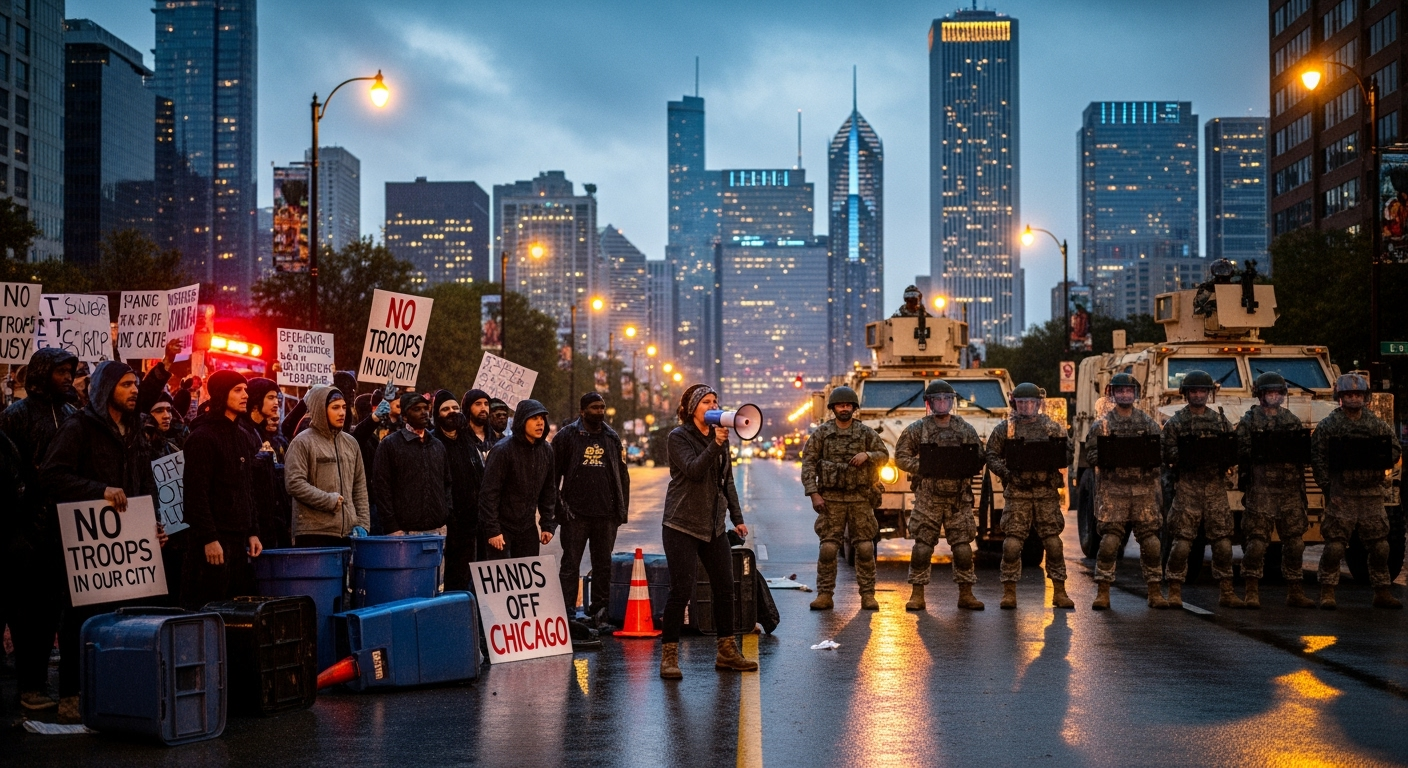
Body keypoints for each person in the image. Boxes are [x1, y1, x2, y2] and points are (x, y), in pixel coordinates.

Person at [40, 361, 161, 723]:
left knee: (124, 621)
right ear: (105, 390)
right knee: (82, 620)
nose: (134, 390)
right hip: (87, 546)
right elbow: (51, 477)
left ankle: (117, 690)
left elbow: (144, 480)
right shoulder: (79, 428)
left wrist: (154, 522)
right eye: (126, 384)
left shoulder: (137, 428)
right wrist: (100, 492)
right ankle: (72, 695)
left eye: (136, 384)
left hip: (127, 546)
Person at [657, 385, 755, 680]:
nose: (713, 405)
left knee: (725, 588)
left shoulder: (721, 441)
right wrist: (715, 443)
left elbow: (727, 482)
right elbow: (694, 470)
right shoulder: (678, 437)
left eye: (715, 401)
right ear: (691, 408)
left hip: (713, 525)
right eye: (706, 402)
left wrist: (736, 518)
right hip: (681, 524)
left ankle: (726, 651)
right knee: (681, 590)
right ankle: (669, 655)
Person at [0, 347, 77, 713]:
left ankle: (41, 681)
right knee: (25, 613)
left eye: (69, 372)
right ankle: (29, 684)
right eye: (60, 371)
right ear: (42, 373)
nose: (66, 377)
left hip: (64, 529)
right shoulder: (15, 416)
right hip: (25, 531)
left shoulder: (71, 415)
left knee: (52, 611)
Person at [1313, 373, 1403, 609]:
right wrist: (1327, 488)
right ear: (1340, 398)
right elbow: (1319, 459)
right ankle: (1327, 591)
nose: (1354, 399)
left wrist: (1372, 457)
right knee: (1334, 546)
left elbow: (1393, 449)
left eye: (1358, 395)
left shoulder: (1375, 424)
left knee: (1381, 546)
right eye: (1349, 395)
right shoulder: (1329, 426)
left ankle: (1381, 590)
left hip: (1371, 493)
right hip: (1342, 494)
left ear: (1365, 397)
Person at [894, 380, 986, 611]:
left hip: (957, 499)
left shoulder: (964, 428)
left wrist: (961, 465)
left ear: (952, 402)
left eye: (947, 399)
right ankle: (917, 594)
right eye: (938, 400)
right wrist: (925, 466)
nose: (943, 404)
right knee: (922, 548)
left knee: (963, 549)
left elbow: (979, 457)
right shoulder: (918, 429)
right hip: (928, 498)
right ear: (930, 403)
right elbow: (901, 456)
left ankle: (966, 593)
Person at [985, 383, 1075, 610]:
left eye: (1031, 403)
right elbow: (991, 455)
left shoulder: (1052, 428)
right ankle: (1009, 592)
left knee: (1053, 544)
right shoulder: (1005, 429)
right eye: (1022, 403)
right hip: (1018, 493)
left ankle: (1060, 591)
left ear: (1038, 404)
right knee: (1012, 545)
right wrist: (1006, 473)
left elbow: (1068, 454)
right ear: (1015, 404)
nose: (1026, 407)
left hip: (1045, 492)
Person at [800, 386, 886, 611]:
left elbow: (884, 455)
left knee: (866, 548)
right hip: (831, 499)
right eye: (840, 405)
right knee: (828, 549)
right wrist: (814, 494)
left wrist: (868, 455)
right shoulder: (822, 433)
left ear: (854, 408)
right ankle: (825, 594)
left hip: (860, 498)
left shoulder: (865, 433)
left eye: (848, 405)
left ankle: (868, 595)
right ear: (833, 408)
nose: (845, 409)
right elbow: (808, 462)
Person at [181, 371, 263, 608]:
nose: (245, 395)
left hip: (239, 543)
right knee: (210, 610)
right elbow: (196, 493)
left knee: (237, 614)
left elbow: (248, 489)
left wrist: (253, 531)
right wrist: (209, 537)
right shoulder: (203, 437)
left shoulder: (242, 436)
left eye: (245, 390)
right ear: (220, 394)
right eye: (237, 390)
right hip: (213, 544)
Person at [1086, 372, 1165, 610]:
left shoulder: (1147, 423)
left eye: (1128, 391)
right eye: (1120, 391)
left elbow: (1160, 452)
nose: (1124, 395)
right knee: (1109, 543)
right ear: (1112, 394)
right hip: (1114, 492)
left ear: (1135, 394)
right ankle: (1103, 591)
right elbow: (1091, 455)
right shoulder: (1102, 425)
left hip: (1143, 492)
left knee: (1151, 543)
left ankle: (1154, 591)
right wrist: (1111, 457)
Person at [1160, 370, 1239, 608]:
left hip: (1214, 488)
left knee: (1223, 544)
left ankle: (1226, 591)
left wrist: (1219, 457)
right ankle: (1174, 589)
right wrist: (1190, 455)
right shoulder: (1176, 423)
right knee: (1182, 544)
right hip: (1188, 489)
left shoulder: (1220, 421)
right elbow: (1166, 454)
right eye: (1193, 391)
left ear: (1209, 393)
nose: (1198, 395)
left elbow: (1232, 450)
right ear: (1186, 394)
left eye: (1202, 391)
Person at [1236, 372, 1315, 608]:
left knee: (1295, 543)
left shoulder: (1291, 420)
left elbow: (1302, 453)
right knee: (1257, 543)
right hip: (1261, 490)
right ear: (1260, 395)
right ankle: (1251, 590)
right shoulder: (1248, 421)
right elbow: (1241, 450)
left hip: (1289, 490)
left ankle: (1295, 590)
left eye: (1277, 393)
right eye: (1269, 393)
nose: (1273, 397)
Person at [554, 392, 631, 624]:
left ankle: (600, 609)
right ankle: (566, 611)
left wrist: (621, 510)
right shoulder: (566, 436)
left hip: (605, 515)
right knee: (570, 565)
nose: (600, 411)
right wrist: (558, 510)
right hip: (574, 514)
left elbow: (622, 476)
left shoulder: (611, 437)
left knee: (603, 565)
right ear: (582, 411)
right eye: (595, 407)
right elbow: (552, 476)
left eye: (602, 407)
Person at [285, 384, 370, 548]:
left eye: (344, 407)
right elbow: (294, 483)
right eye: (335, 407)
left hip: (348, 533)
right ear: (320, 409)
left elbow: (359, 486)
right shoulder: (302, 442)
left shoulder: (350, 443)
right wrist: (329, 500)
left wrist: (363, 523)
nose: (342, 412)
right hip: (314, 533)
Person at [479, 399, 556, 558]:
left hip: (527, 527)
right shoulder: (503, 450)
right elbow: (489, 493)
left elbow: (548, 491)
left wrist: (547, 525)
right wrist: (493, 530)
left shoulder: (546, 451)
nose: (540, 423)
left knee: (527, 581)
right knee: (501, 580)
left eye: (542, 418)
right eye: (534, 418)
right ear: (522, 420)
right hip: (502, 528)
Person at [372, 392, 452, 536]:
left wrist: (445, 512)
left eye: (425, 408)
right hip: (404, 532)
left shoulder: (437, 445)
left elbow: (447, 483)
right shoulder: (390, 445)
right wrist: (392, 526)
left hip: (438, 530)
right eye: (416, 409)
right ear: (405, 417)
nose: (423, 413)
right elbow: (381, 488)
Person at [433, 389, 485, 590]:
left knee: (463, 578)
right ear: (437, 414)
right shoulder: (433, 442)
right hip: (445, 522)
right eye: (446, 409)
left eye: (455, 407)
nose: (452, 412)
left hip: (469, 523)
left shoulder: (467, 441)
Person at [246, 377, 293, 549]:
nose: (276, 404)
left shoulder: (258, 433)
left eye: (277, 399)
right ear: (257, 398)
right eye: (270, 397)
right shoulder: (246, 433)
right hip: (255, 528)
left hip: (270, 522)